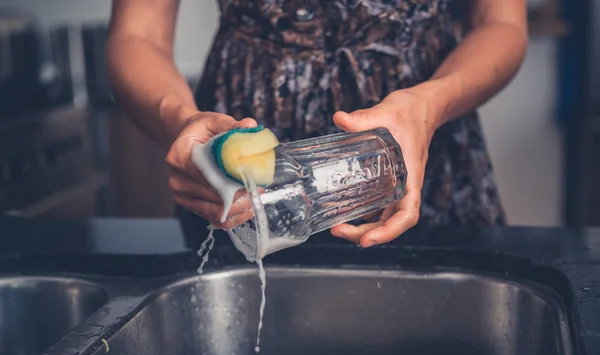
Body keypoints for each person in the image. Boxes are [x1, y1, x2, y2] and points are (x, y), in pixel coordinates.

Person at [106, 0, 527, 248]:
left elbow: (501, 24)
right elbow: (137, 35)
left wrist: (429, 105)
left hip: (421, 145)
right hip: (240, 173)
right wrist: (181, 120)